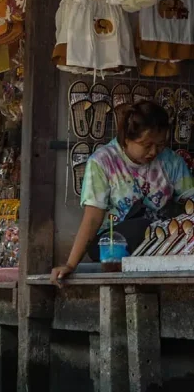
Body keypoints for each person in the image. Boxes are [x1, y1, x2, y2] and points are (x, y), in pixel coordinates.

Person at [51, 101, 194, 286]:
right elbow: (92, 218)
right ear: (127, 138)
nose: (154, 152)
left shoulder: (172, 162)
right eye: (147, 145)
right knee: (142, 228)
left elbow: (190, 203)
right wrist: (70, 264)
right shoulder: (102, 162)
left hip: (161, 238)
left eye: (159, 145)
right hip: (112, 244)